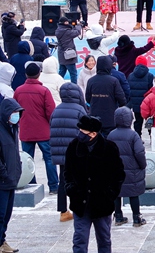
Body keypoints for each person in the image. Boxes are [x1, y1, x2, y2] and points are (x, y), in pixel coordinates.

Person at [64, 115, 125, 253]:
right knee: (79, 239)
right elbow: (67, 172)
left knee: (104, 240)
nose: (80, 134)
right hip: (80, 203)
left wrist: (110, 194)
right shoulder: (73, 146)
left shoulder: (109, 148)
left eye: (83, 132)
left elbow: (118, 174)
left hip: (102, 204)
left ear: (93, 134)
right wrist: (71, 189)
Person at [14, 62, 58, 194]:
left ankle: (31, 184)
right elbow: (51, 112)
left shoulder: (18, 91)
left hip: (26, 130)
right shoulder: (44, 91)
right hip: (43, 131)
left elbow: (14, 110)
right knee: (49, 158)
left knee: (28, 159)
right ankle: (53, 186)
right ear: (39, 74)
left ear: (26, 75)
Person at [50, 82, 87, 223]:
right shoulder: (80, 110)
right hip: (76, 152)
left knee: (63, 180)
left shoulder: (56, 110)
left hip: (60, 152)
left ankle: (63, 211)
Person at [107, 107, 147, 227]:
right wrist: (143, 165)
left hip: (115, 170)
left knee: (117, 193)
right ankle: (136, 217)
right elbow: (139, 152)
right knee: (133, 193)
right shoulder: (133, 135)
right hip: (132, 170)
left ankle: (118, 216)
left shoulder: (111, 135)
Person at [0, 98, 24, 253]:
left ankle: (2, 241)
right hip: (3, 180)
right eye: (13, 112)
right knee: (1, 214)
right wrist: (4, 174)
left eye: (18, 112)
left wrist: (18, 170)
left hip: (10, 180)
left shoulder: (12, 128)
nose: (16, 115)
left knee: (6, 215)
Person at [85, 56, 127, 137]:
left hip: (94, 117)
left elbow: (88, 99)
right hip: (110, 118)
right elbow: (122, 99)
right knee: (109, 141)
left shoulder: (91, 81)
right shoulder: (113, 81)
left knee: (95, 141)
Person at [127, 55, 154, 137]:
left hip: (135, 104)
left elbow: (129, 90)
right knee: (149, 120)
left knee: (138, 121)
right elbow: (151, 90)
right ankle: (151, 136)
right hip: (147, 104)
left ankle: (138, 137)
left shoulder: (131, 75)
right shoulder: (150, 76)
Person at [55, 16, 81, 84]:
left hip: (61, 54)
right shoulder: (67, 32)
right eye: (67, 22)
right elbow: (77, 32)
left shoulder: (58, 30)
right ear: (64, 23)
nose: (68, 23)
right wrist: (78, 25)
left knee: (61, 72)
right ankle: (74, 87)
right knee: (73, 73)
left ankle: (57, 84)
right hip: (69, 55)